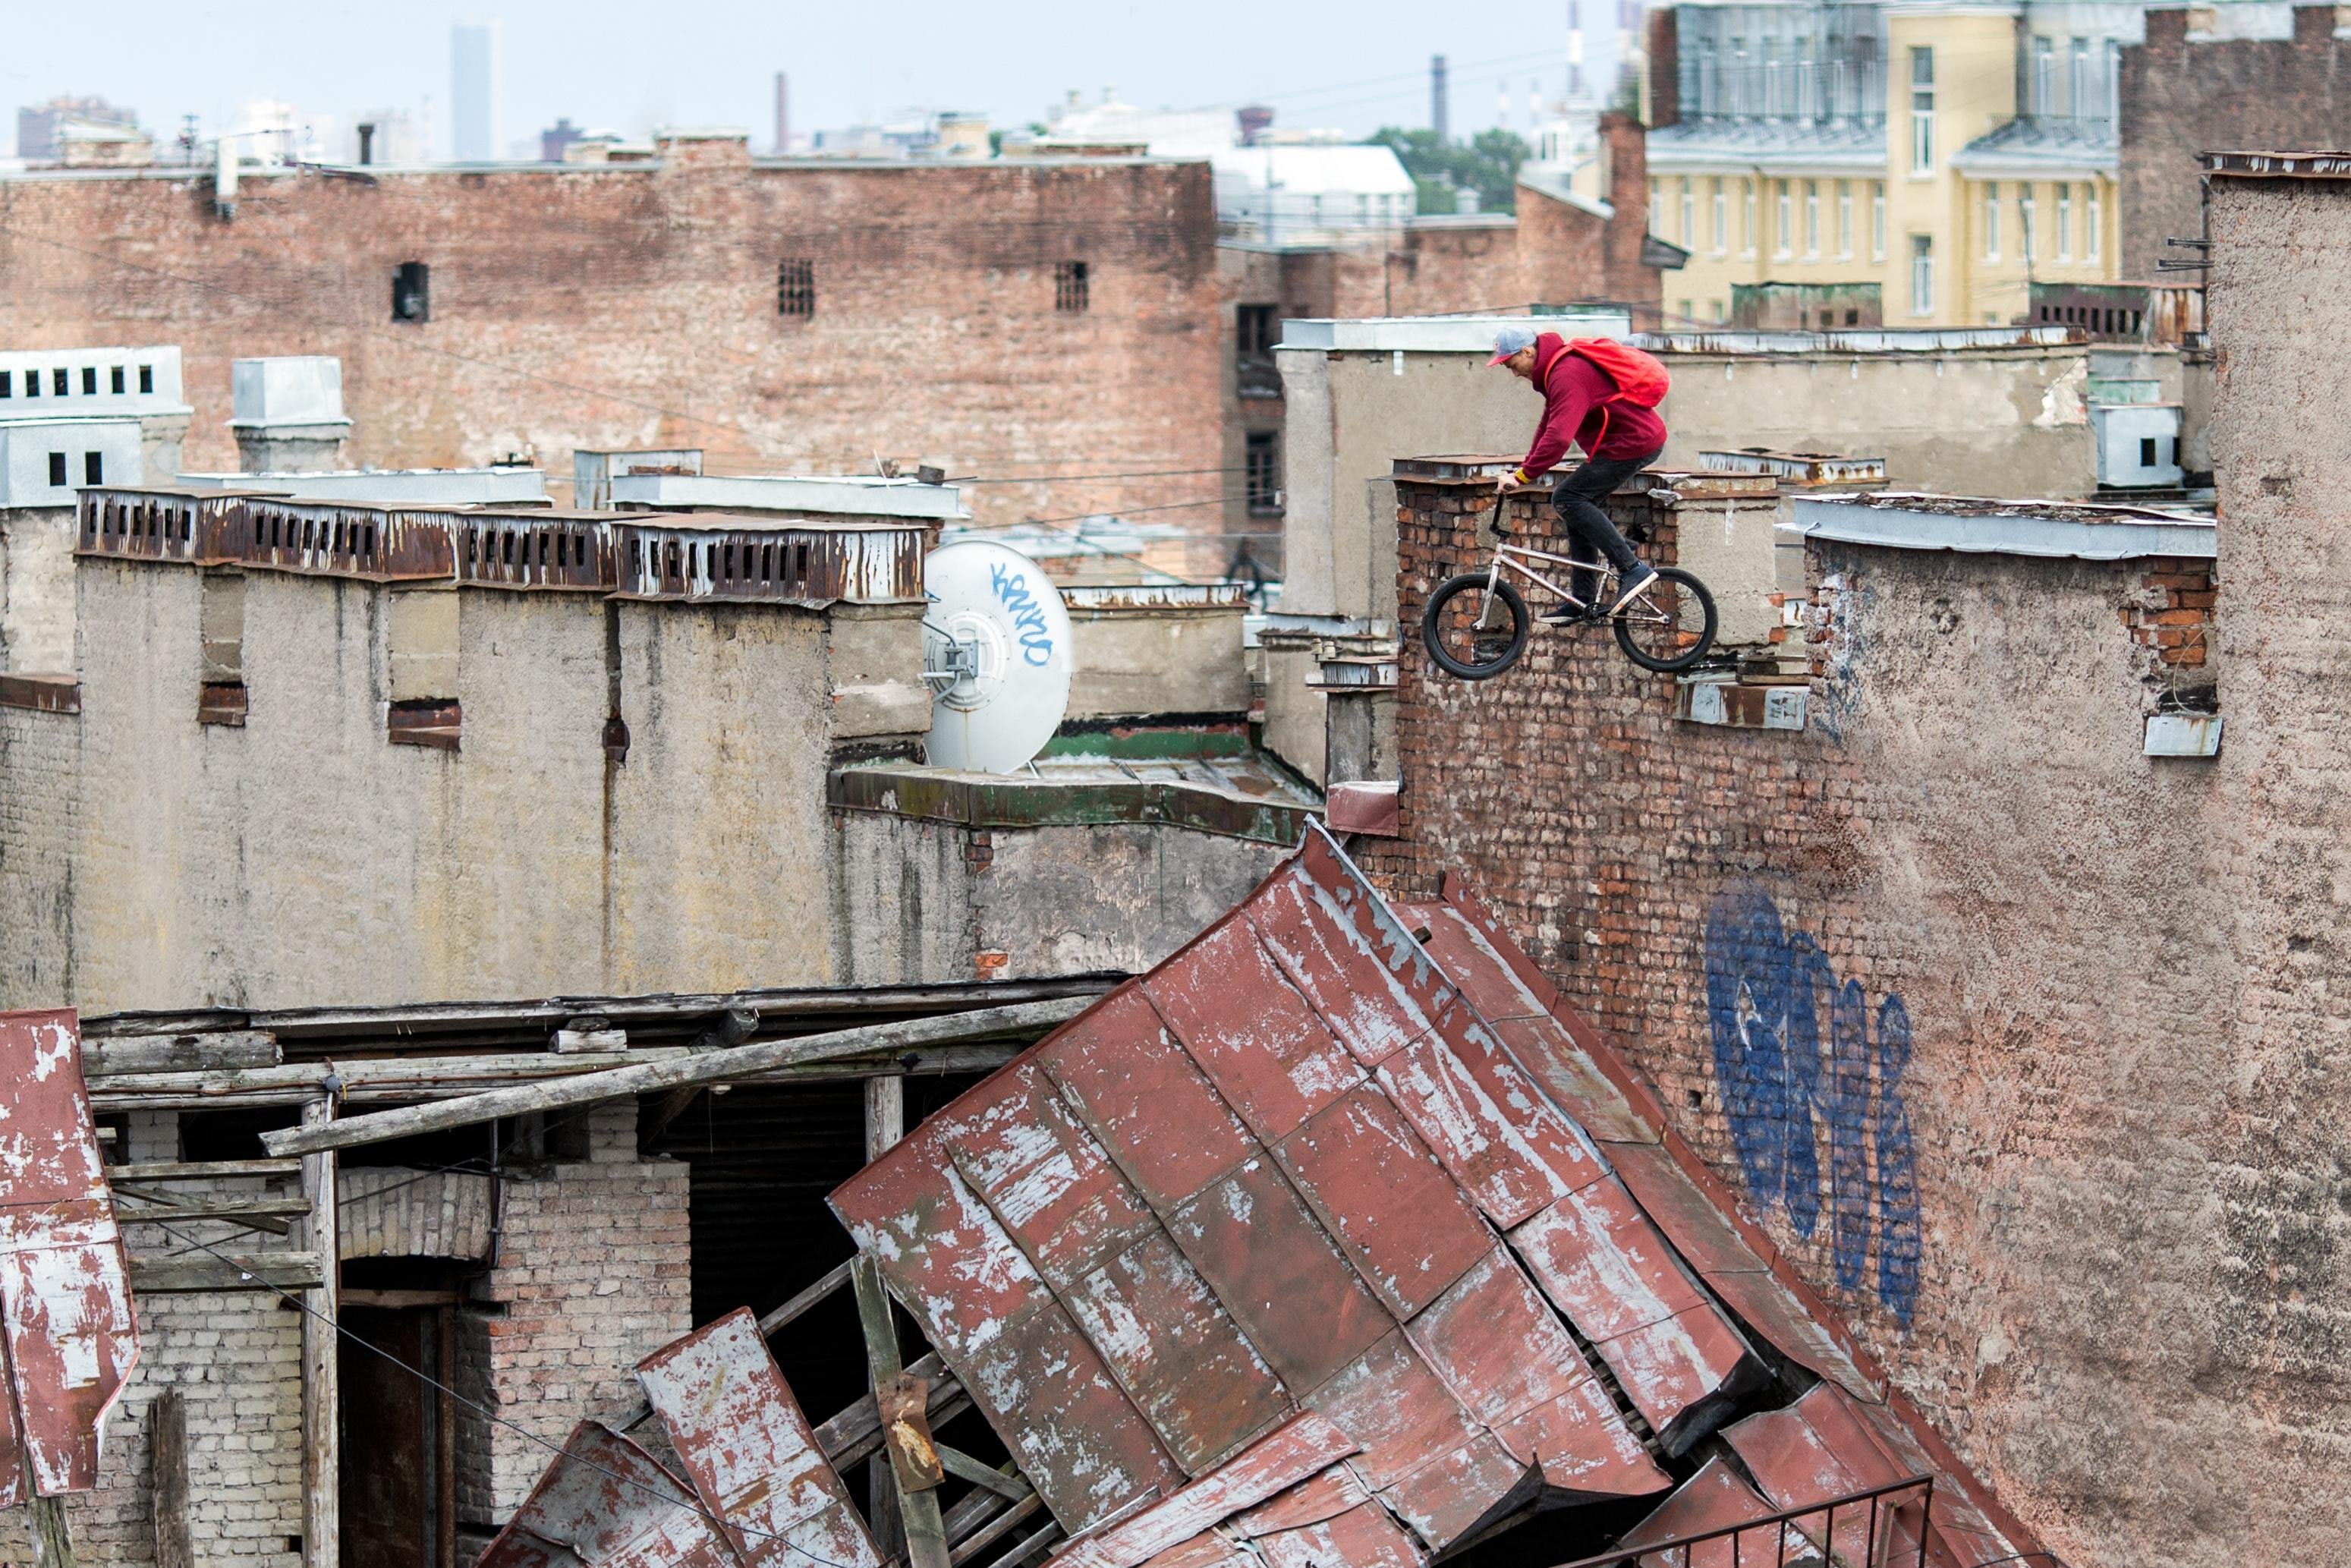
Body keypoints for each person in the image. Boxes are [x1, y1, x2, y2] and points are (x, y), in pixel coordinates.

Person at [1489, 324, 1666, 619]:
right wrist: (1523, 469)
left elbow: (1559, 439)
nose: (1513, 373)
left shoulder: (1566, 373)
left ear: (1527, 351)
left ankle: (1632, 568)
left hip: (1633, 442)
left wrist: (1524, 476)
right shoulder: (1554, 372)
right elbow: (1547, 427)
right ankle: (1582, 599)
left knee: (1568, 498)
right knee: (1575, 505)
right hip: (1618, 444)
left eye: (1512, 364)